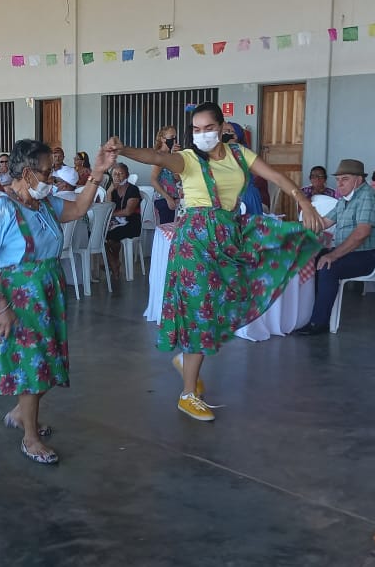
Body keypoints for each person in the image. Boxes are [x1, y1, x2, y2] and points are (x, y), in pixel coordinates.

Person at [104, 102, 323, 422]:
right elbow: (156, 158)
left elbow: (275, 175)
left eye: (208, 128)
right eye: (196, 129)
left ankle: (186, 361)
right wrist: (124, 149)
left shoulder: (239, 155)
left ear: (221, 128)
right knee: (200, 312)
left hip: (228, 233)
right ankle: (188, 394)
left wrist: (303, 200)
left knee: (223, 302)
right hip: (195, 240)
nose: (202, 134)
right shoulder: (189, 158)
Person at [0, 139, 111, 464]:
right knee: (32, 367)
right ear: (28, 174)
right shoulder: (3, 209)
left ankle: (21, 413)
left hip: (46, 294)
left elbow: (79, 208)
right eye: (46, 172)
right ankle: (30, 438)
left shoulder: (44, 204)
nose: (52, 178)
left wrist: (98, 174)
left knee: (48, 362)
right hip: (19, 299)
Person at [295, 159, 375, 336]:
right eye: (338, 179)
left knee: (328, 266)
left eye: (345, 179)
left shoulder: (368, 197)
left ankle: (319, 322)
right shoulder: (345, 200)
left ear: (358, 180)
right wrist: (292, 227)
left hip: (371, 256)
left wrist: (333, 255)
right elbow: (323, 223)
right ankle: (307, 315)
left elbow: (361, 233)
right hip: (354, 252)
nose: (339, 184)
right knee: (313, 257)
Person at [104, 163, 142, 281]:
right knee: (98, 236)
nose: (117, 176)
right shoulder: (112, 190)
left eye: (121, 174)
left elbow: (128, 212)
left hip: (132, 223)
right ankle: (114, 261)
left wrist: (111, 214)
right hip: (116, 222)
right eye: (114, 174)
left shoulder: (133, 189)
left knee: (111, 237)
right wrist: (109, 192)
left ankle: (114, 262)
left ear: (127, 175)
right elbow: (108, 207)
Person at [223, 121, 269, 214]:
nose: (224, 133)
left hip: (246, 195)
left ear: (235, 137)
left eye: (228, 131)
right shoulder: (220, 152)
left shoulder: (243, 152)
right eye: (223, 131)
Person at [149, 125, 182, 224]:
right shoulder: (159, 156)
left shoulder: (170, 156)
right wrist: (167, 198)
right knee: (166, 227)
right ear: (163, 139)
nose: (174, 140)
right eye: (171, 137)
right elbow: (153, 179)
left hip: (174, 197)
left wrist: (175, 157)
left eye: (175, 137)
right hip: (163, 198)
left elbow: (177, 178)